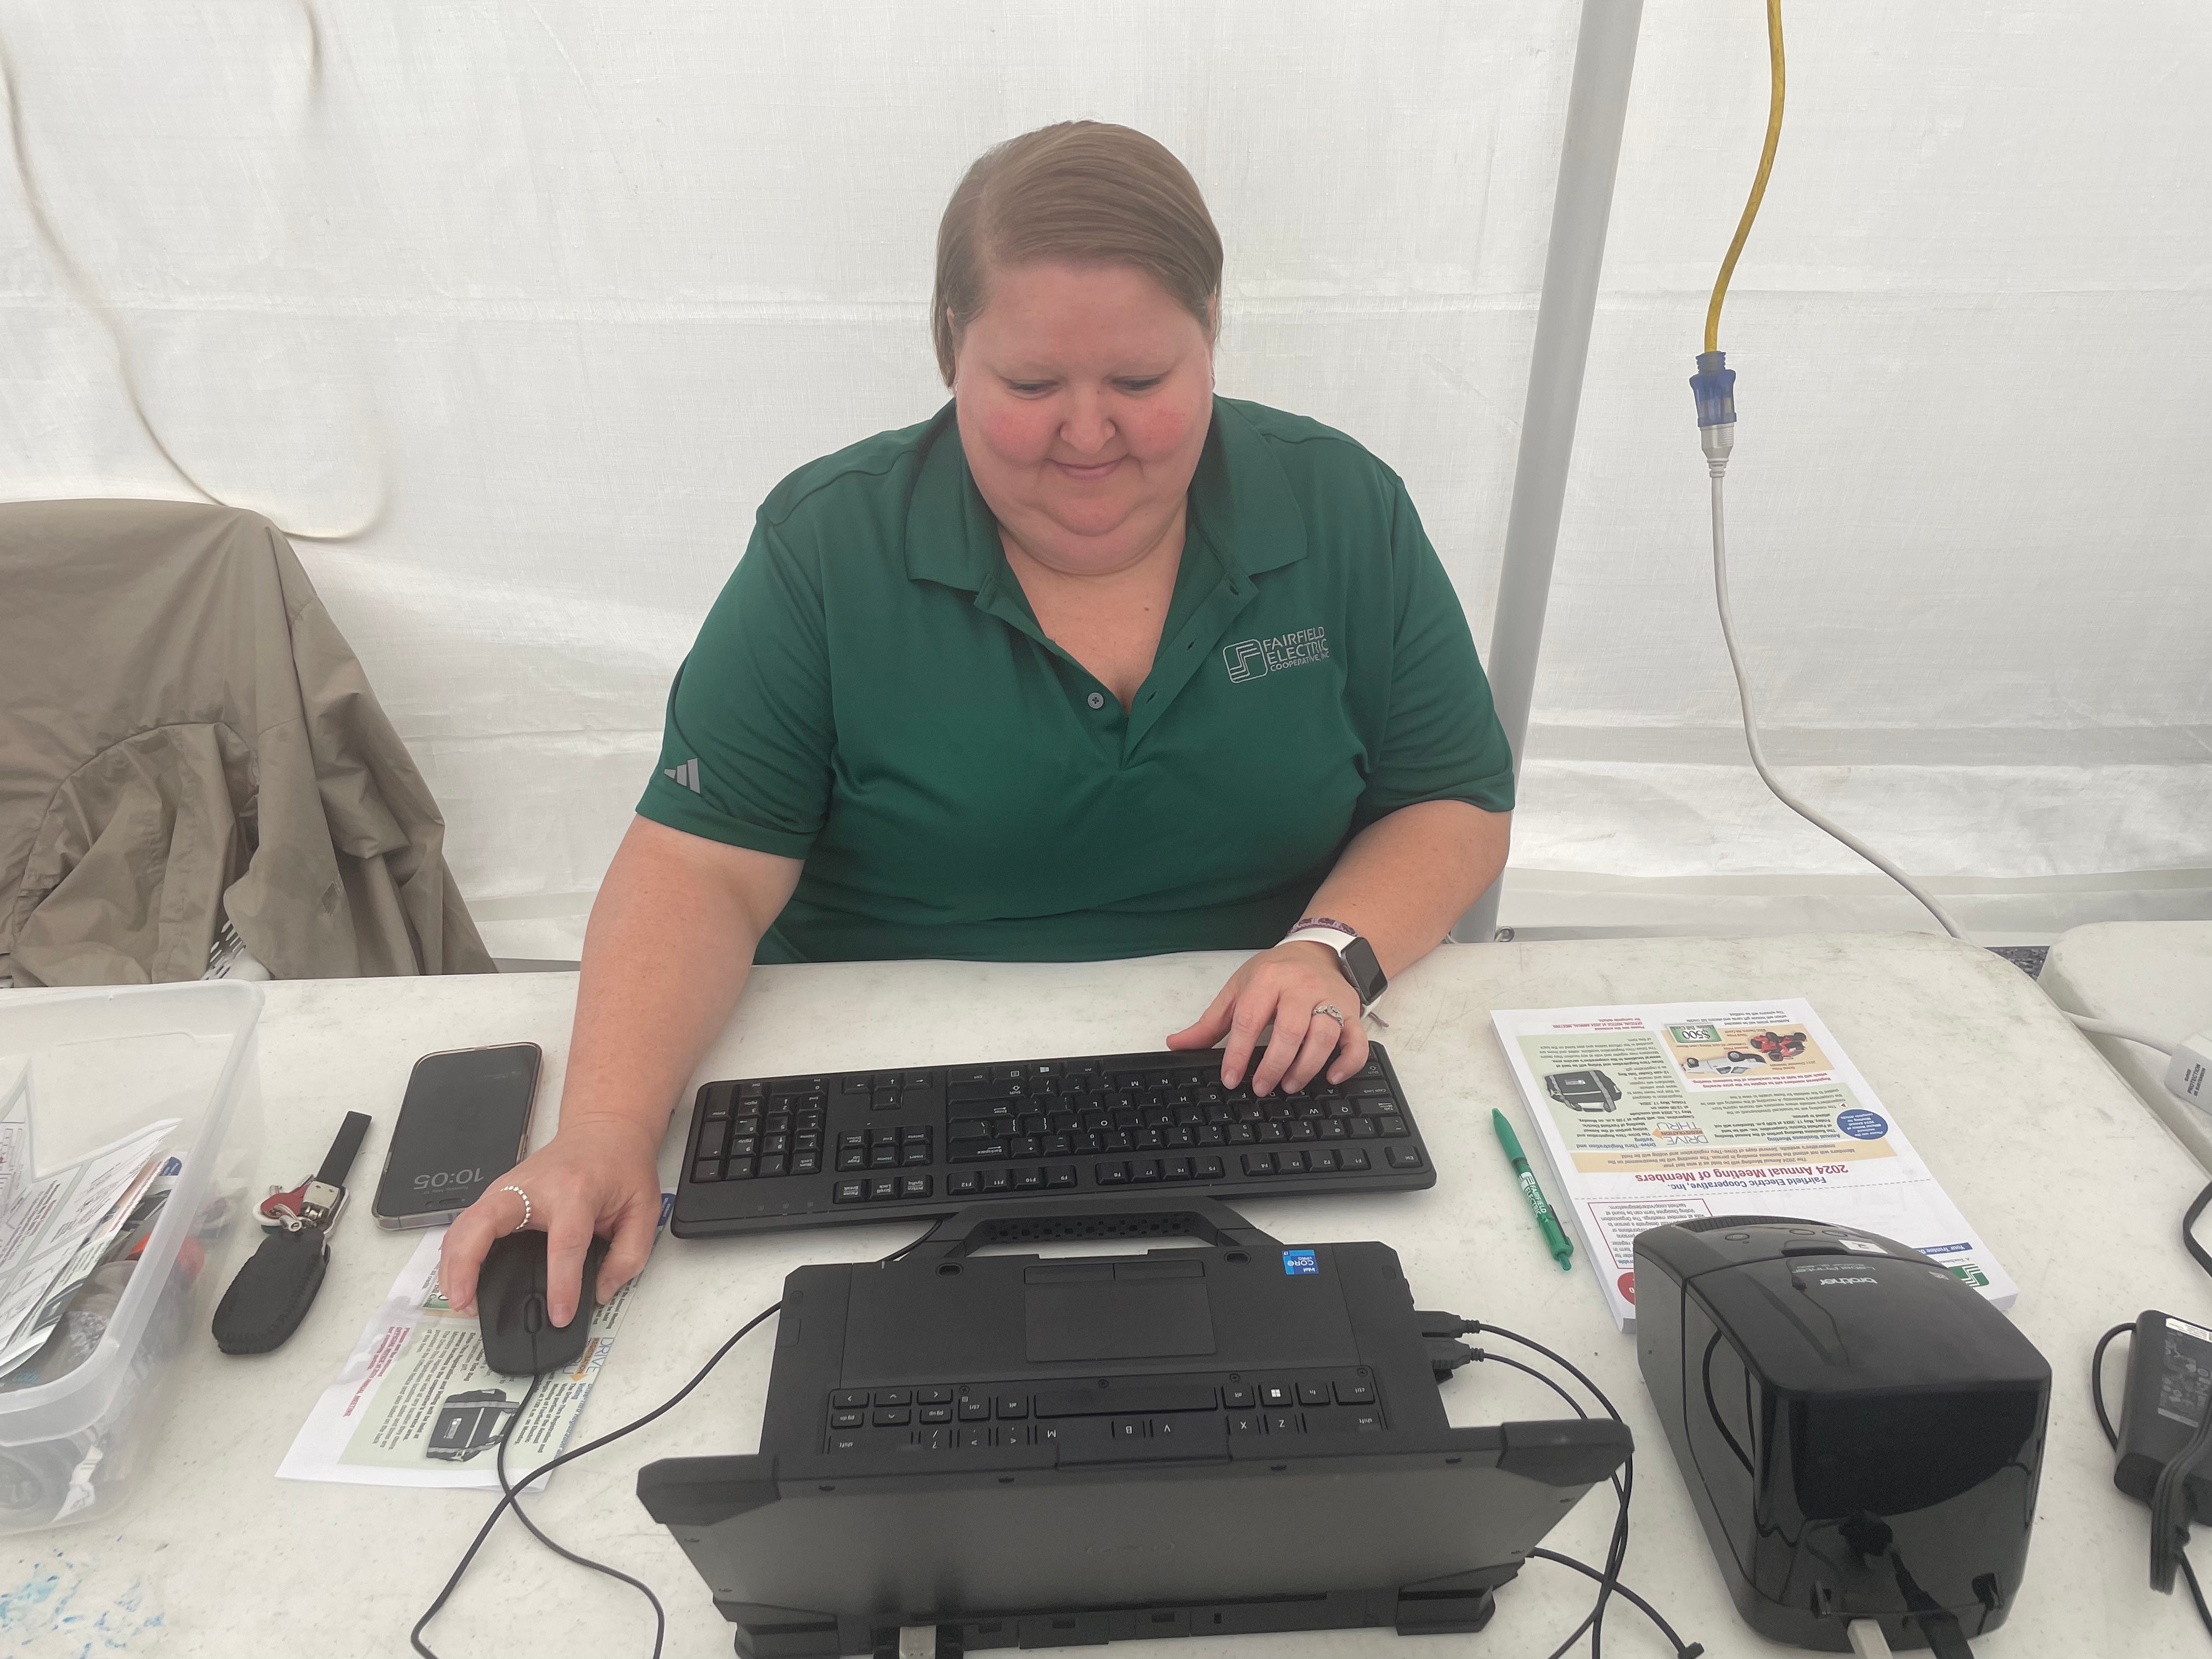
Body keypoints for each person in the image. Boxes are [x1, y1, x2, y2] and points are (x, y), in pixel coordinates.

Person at [441, 121, 1515, 1325]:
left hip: (1249, 1091)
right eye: (1032, 385)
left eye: (1144, 384)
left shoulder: (1344, 508)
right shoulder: (827, 548)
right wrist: (603, 1131)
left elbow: (1452, 798)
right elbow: (701, 866)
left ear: (1213, 335)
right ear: (950, 347)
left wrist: (1332, 951)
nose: (1090, 434)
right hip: (881, 1106)